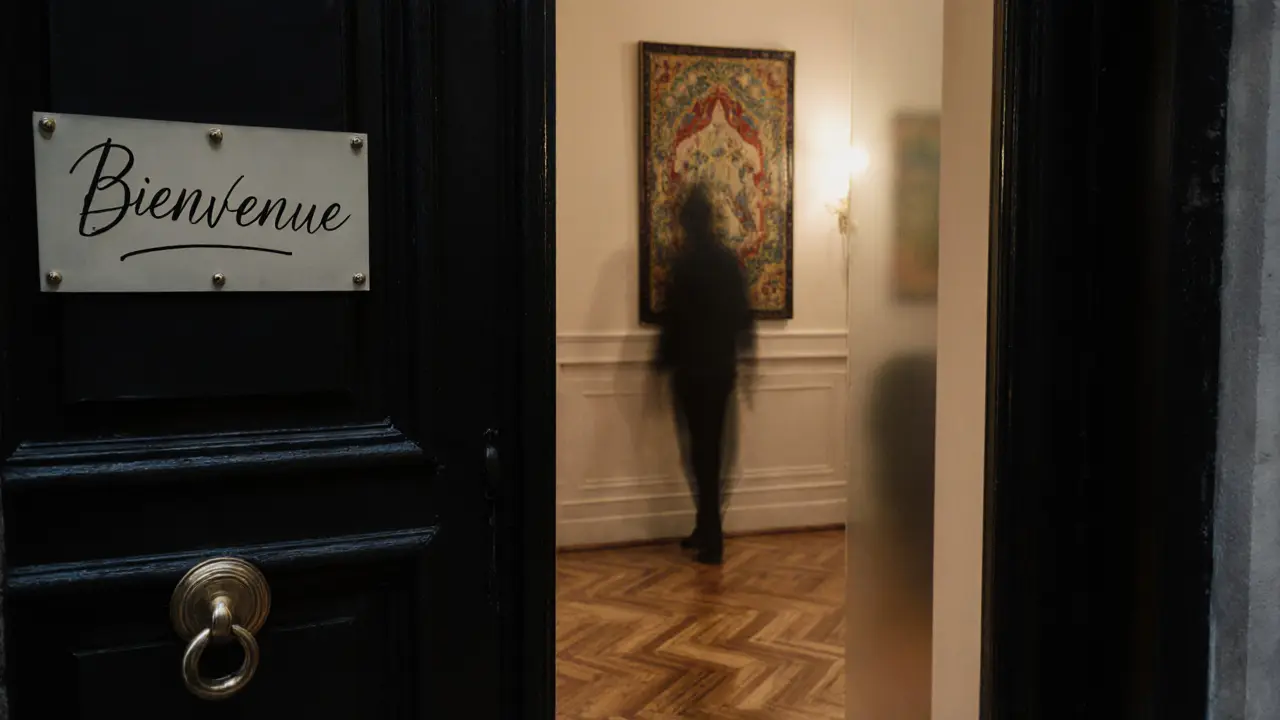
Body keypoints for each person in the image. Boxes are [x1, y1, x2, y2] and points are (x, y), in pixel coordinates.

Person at [653, 183, 756, 565]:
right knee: (711, 455)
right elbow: (743, 318)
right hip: (719, 371)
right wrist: (747, 358)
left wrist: (661, 361)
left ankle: (712, 538)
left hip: (692, 374)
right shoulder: (728, 264)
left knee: (700, 457)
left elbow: (673, 322)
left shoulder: (684, 265)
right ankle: (705, 528)